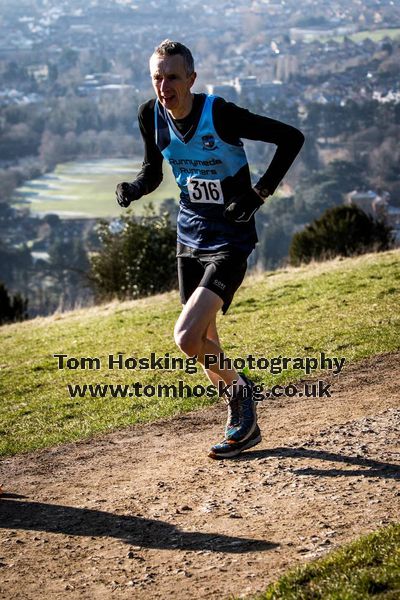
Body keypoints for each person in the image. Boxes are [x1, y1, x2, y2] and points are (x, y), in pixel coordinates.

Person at [116, 39, 304, 459]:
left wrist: (258, 195)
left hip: (230, 239)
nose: (164, 86)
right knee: (204, 339)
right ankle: (244, 425)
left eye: (173, 77)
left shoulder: (218, 113)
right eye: (157, 77)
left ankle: (242, 397)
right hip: (189, 237)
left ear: (192, 79)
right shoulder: (150, 115)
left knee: (185, 337)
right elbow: (153, 171)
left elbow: (291, 138)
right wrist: (134, 188)